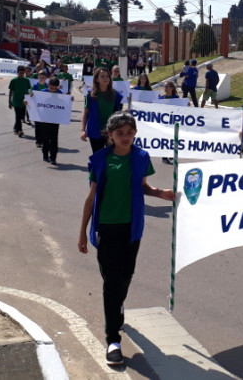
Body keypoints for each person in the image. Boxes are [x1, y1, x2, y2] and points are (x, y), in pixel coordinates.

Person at [77, 111, 174, 366]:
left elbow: (143, 187)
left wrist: (161, 193)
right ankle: (112, 340)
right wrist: (83, 232)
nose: (126, 137)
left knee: (126, 276)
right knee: (110, 281)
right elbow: (91, 198)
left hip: (132, 227)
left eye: (130, 132)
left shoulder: (141, 157)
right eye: (120, 133)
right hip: (107, 227)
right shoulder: (101, 160)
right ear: (110, 135)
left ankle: (118, 305)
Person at [81, 67, 124, 154]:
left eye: (107, 76)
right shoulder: (90, 95)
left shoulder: (116, 95)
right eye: (102, 76)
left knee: (111, 158)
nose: (106, 78)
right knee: (98, 158)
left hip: (111, 132)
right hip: (95, 131)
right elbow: (85, 114)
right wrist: (82, 130)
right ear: (97, 79)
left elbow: (120, 112)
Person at [41, 77, 65, 164]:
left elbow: (64, 104)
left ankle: (53, 157)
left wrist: (70, 100)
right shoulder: (43, 92)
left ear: (58, 87)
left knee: (54, 139)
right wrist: (27, 100)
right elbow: (35, 100)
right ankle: (45, 155)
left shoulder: (59, 93)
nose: (53, 90)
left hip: (55, 120)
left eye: (55, 88)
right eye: (51, 88)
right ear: (48, 85)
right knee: (45, 138)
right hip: (45, 119)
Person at [31, 71, 51, 150]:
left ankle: (43, 140)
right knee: (38, 126)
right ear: (38, 77)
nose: (42, 78)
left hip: (46, 109)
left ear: (46, 78)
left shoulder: (48, 86)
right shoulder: (35, 86)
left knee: (44, 126)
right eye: (40, 77)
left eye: (43, 77)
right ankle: (38, 141)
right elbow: (30, 95)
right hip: (37, 109)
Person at [8, 65, 29, 137]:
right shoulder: (13, 81)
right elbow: (11, 91)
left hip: (24, 102)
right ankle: (20, 130)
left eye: (23, 73)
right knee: (17, 116)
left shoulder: (26, 80)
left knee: (22, 116)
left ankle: (15, 128)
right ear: (17, 72)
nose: (21, 75)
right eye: (20, 73)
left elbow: (29, 90)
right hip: (16, 101)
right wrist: (9, 101)